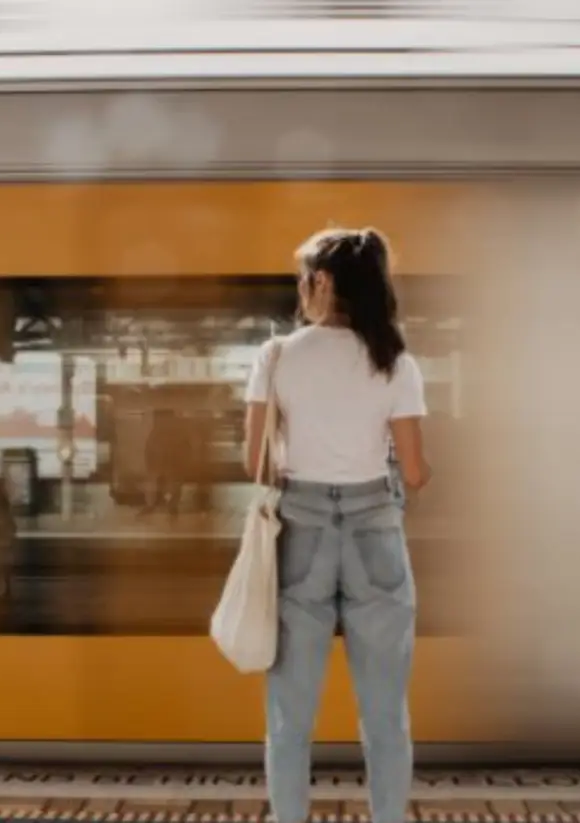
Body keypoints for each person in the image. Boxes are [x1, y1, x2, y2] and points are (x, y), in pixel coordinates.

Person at [242, 226, 430, 823]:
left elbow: (256, 463)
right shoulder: (395, 362)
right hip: (376, 530)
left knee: (289, 718)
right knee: (384, 715)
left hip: (302, 533)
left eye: (304, 278)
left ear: (322, 282)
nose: (301, 290)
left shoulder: (275, 357)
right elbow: (418, 471)